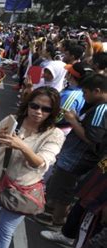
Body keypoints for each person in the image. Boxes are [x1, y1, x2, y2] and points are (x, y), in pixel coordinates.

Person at [0, 87, 65, 248]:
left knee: (7, 231)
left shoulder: (55, 134)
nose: (38, 112)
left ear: (53, 112)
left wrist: (21, 146)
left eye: (46, 109)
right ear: (27, 104)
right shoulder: (12, 120)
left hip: (22, 189)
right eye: (35, 106)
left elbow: (41, 162)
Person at [40, 74, 107, 226]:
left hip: (76, 160)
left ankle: (57, 221)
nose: (84, 96)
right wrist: (77, 119)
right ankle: (53, 214)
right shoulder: (99, 107)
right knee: (61, 189)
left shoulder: (102, 108)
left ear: (97, 91)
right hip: (74, 158)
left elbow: (92, 138)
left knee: (64, 192)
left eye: (85, 93)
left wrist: (72, 121)